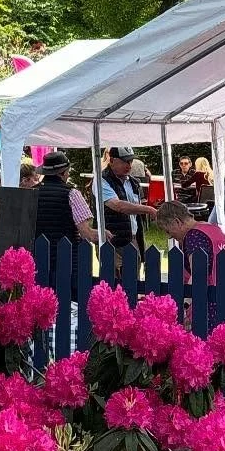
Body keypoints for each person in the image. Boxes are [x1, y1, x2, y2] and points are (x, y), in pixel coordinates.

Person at [34, 148, 99, 347]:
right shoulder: (72, 194)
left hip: (38, 260)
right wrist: (104, 236)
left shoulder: (32, 193)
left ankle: (43, 344)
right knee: (68, 306)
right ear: (64, 173)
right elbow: (85, 231)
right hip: (67, 260)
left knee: (41, 308)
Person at [155, 199, 225, 287]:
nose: (169, 237)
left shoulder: (194, 237)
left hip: (215, 297)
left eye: (168, 231)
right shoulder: (213, 229)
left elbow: (198, 276)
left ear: (177, 222)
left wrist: (186, 300)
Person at [97, 145, 143, 250]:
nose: (129, 165)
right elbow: (118, 206)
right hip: (112, 240)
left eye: (131, 161)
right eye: (125, 161)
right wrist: (149, 210)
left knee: (134, 266)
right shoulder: (101, 180)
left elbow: (136, 214)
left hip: (132, 237)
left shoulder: (134, 182)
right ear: (112, 160)